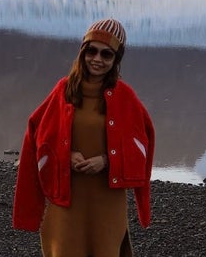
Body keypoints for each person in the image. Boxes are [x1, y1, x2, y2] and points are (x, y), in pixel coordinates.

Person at [13, 19, 155, 257]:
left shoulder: (125, 97)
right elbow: (37, 136)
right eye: (92, 51)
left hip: (107, 202)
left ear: (116, 60)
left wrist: (107, 161)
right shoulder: (64, 90)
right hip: (67, 199)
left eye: (106, 54)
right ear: (83, 52)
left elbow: (142, 144)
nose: (97, 59)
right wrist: (64, 156)